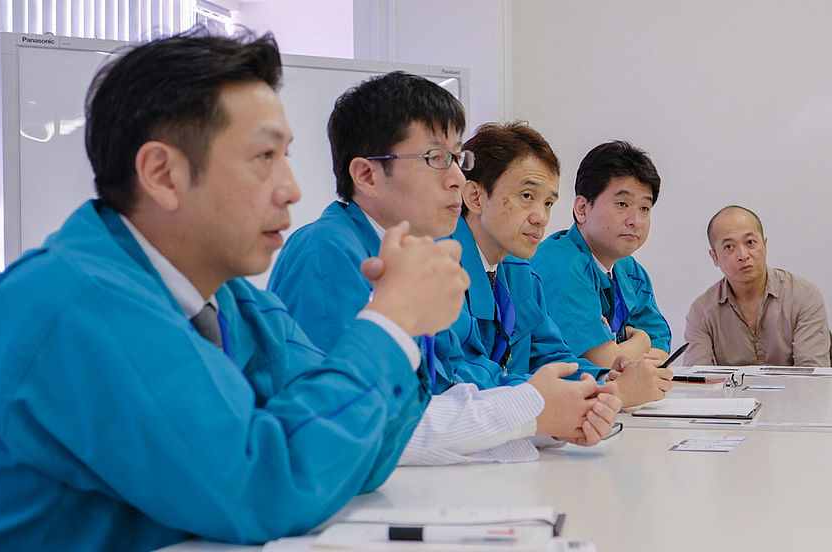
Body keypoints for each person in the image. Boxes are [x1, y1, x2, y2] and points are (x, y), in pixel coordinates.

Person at [0, 31, 470, 551]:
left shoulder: (231, 299)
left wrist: (398, 330)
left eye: (286, 157)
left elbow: (362, 456)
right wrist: (391, 322)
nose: (292, 188)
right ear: (163, 175)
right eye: (265, 158)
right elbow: (265, 489)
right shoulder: (76, 302)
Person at [270, 74, 621, 466]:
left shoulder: (413, 255)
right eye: (436, 159)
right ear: (367, 175)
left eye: (458, 158)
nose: (457, 178)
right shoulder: (328, 252)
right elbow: (338, 426)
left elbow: (451, 378)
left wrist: (558, 410)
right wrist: (531, 407)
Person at [457, 123, 670, 408]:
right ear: (474, 196)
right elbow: (464, 381)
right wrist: (608, 393)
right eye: (527, 196)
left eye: (547, 203)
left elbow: (554, 358)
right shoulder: (435, 267)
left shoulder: (518, 271)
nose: (541, 217)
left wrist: (607, 382)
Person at [531, 141, 673, 371]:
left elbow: (661, 346)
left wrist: (627, 349)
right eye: (622, 204)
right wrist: (641, 341)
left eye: (644, 208)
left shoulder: (629, 269)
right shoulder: (560, 264)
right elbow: (607, 363)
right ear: (582, 209)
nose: (635, 220)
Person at [682, 205, 831, 366]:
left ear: (764, 245)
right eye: (729, 247)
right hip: (731, 392)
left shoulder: (804, 296)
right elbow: (698, 380)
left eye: (750, 242)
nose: (743, 255)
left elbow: (813, 376)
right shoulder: (702, 311)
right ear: (714, 257)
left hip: (795, 391)